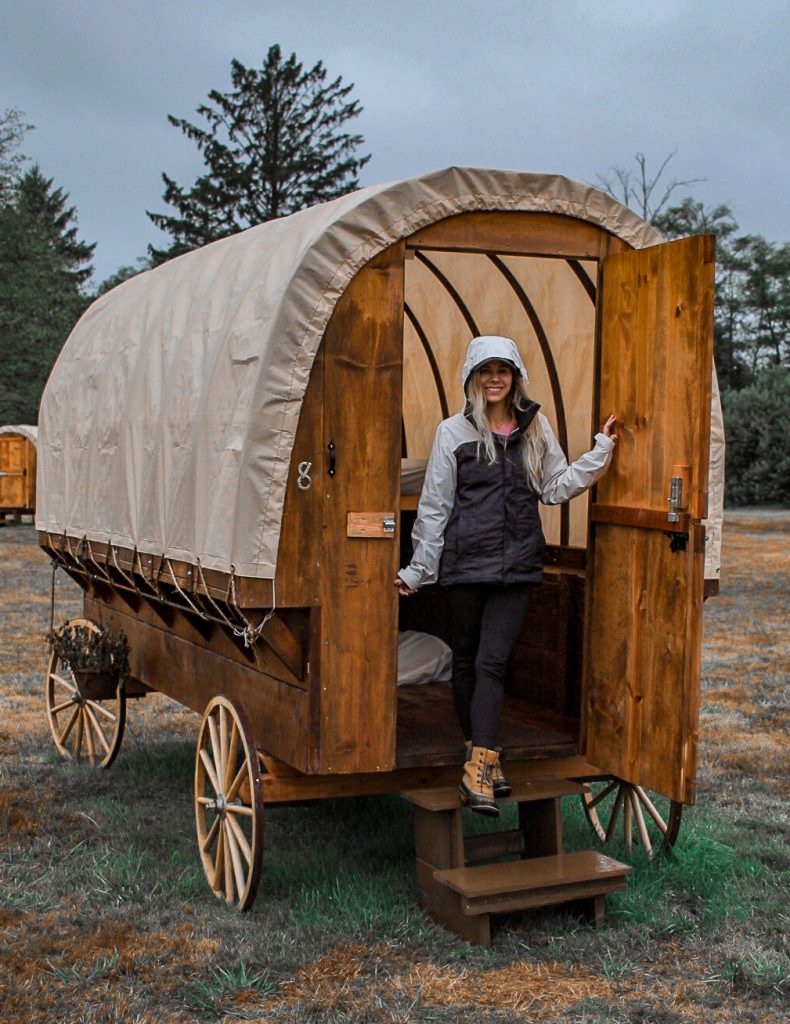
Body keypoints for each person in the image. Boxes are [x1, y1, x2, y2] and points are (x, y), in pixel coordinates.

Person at [395, 335, 617, 816]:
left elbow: (555, 488)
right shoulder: (453, 433)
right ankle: (482, 754)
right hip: (465, 566)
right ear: (473, 377)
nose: (495, 377)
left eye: (504, 369)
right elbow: (435, 506)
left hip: (516, 566)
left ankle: (477, 770)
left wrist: (600, 453)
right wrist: (418, 570)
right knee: (466, 662)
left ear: (515, 376)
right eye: (486, 369)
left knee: (493, 663)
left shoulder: (535, 429)